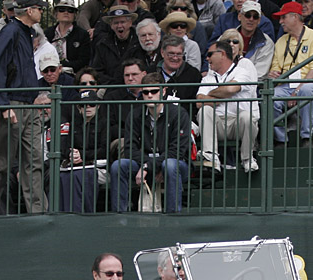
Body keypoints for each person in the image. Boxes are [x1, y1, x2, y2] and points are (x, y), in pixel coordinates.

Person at [0, 0, 47, 215]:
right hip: (13, 104)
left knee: (34, 160)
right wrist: (3, 105)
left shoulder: (24, 32)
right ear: (29, 10)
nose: (41, 12)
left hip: (28, 104)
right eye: (39, 8)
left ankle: (38, 212)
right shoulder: (9, 32)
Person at [110, 73, 191, 212]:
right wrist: (147, 165)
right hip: (144, 163)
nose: (149, 95)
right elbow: (130, 148)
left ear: (164, 91)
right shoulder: (135, 115)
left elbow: (177, 150)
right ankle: (119, 215)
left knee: (170, 164)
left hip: (173, 164)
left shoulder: (178, 113)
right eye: (145, 92)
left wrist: (149, 166)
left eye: (154, 91)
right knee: (118, 166)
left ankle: (174, 216)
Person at [196, 39, 261, 173]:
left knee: (247, 116)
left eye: (210, 54)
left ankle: (247, 159)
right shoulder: (208, 77)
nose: (207, 58)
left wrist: (212, 95)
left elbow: (231, 89)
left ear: (222, 54)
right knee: (205, 110)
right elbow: (199, 102)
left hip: (238, 122)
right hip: (218, 123)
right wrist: (222, 94)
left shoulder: (242, 71)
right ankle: (211, 157)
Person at [269, 1, 313, 147]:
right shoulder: (281, 41)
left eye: (283, 17)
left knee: (306, 91)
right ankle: (281, 139)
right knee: (270, 96)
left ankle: (306, 137)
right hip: (286, 85)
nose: (281, 22)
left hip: (309, 84)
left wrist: (298, 89)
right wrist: (273, 74)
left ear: (295, 17)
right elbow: (276, 68)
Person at [59, 90, 109, 213]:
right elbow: (66, 147)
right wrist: (72, 154)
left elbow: (104, 149)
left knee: (78, 176)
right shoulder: (73, 124)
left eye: (91, 104)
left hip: (97, 166)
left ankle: (82, 214)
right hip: (75, 165)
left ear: (98, 106)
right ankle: (63, 214)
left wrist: (82, 155)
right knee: (62, 177)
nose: (87, 108)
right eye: (83, 105)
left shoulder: (104, 123)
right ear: (78, 107)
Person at [91, 7, 145, 83]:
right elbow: (97, 71)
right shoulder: (102, 44)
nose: (119, 26)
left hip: (136, 85)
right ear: (111, 25)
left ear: (130, 23)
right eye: (116, 23)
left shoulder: (140, 41)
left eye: (122, 22)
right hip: (110, 86)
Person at [210, 0, 277, 44]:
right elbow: (213, 43)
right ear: (233, 1)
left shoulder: (264, 23)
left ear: (252, 0)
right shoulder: (224, 19)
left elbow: (267, 46)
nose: (240, 0)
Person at [225, 2, 274, 78]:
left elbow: (260, 73)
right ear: (239, 16)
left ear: (259, 21)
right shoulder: (226, 37)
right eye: (248, 15)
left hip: (252, 86)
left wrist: (238, 82)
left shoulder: (267, 42)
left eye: (255, 17)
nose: (251, 19)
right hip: (225, 81)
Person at [46, 0, 91, 74]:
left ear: (75, 15)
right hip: (48, 73)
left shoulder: (82, 35)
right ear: (56, 14)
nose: (66, 12)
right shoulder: (47, 34)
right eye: (62, 10)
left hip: (73, 75)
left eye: (70, 11)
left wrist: (62, 65)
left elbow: (84, 61)